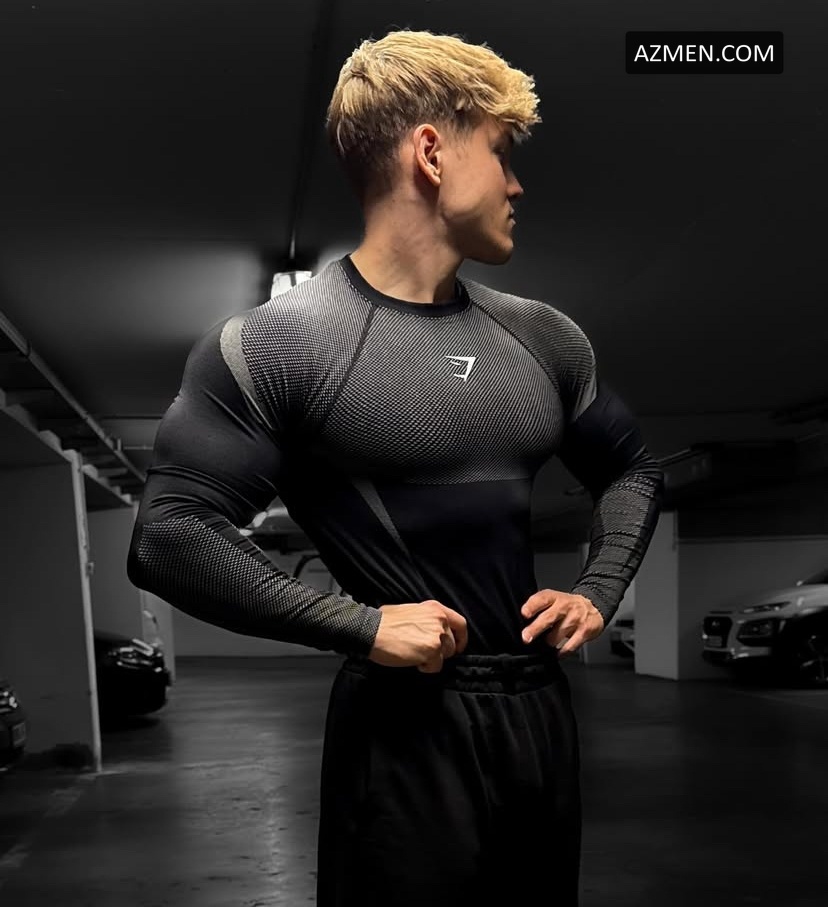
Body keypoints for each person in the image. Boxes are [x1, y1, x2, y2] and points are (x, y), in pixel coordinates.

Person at [127, 28, 664, 907]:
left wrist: (599, 589)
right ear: (431, 152)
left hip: (539, 712)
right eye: (501, 152)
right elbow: (169, 535)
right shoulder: (282, 344)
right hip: (405, 726)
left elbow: (634, 470)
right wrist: (359, 624)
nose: (517, 184)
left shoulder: (544, 338)